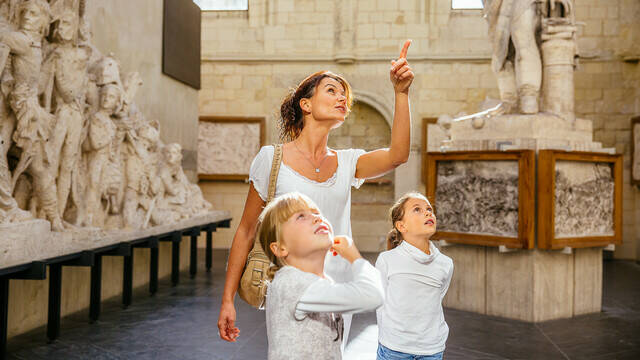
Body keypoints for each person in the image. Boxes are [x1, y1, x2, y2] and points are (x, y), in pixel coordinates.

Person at [218, 39, 414, 347]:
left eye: (343, 95)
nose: (341, 99)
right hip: (293, 287)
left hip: (340, 287)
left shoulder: (348, 162)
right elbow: (245, 230)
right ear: (306, 104)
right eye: (331, 90)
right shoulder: (271, 159)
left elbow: (398, 155)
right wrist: (227, 299)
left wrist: (401, 93)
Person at [259, 192, 384, 359]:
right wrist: (355, 258)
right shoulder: (292, 283)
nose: (317, 218)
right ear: (281, 248)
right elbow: (372, 296)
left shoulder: (318, 282)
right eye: (301, 216)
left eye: (316, 213)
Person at [376, 192, 454, 360]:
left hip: (431, 350)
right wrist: (390, 337)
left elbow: (437, 297)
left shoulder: (445, 264)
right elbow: (381, 303)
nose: (428, 213)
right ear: (401, 226)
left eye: (429, 209)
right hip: (394, 349)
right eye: (417, 209)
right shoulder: (387, 260)